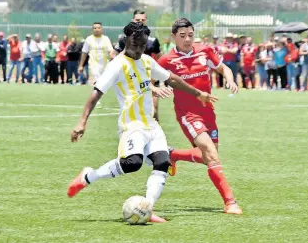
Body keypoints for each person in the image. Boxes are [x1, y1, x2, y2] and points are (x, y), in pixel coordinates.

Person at [67, 22, 218, 223]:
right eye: (134, 45)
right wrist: (82, 122)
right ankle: (88, 176)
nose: (138, 50)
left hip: (151, 124)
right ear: (125, 41)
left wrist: (199, 94)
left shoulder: (147, 61)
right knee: (133, 163)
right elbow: (96, 94)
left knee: (162, 162)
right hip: (131, 124)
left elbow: (171, 78)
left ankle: (147, 207)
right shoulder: (117, 65)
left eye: (142, 45)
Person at [156, 18, 242, 215]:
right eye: (182, 36)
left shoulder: (205, 51)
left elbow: (224, 68)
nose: (187, 40)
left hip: (208, 112)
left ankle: (172, 154)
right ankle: (230, 202)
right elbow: (147, 79)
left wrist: (229, 80)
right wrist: (154, 89)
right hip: (188, 114)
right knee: (211, 152)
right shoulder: (166, 61)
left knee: (208, 157)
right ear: (173, 37)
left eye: (191, 35)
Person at [111, 10, 162, 121]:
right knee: (133, 109)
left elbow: (160, 59)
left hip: (150, 78)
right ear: (132, 21)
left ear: (146, 21)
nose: (140, 22)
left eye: (143, 20)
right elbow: (113, 55)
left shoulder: (153, 41)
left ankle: (155, 134)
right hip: (132, 80)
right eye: (137, 20)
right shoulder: (124, 39)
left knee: (154, 110)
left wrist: (155, 76)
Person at [79, 22, 113, 105]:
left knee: (103, 83)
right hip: (93, 65)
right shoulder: (89, 39)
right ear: (92, 29)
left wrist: (113, 59)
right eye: (95, 28)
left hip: (105, 65)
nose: (97, 29)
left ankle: (98, 97)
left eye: (98, 28)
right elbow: (84, 53)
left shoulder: (106, 39)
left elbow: (111, 51)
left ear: (101, 29)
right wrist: (81, 65)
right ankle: (97, 100)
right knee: (97, 82)